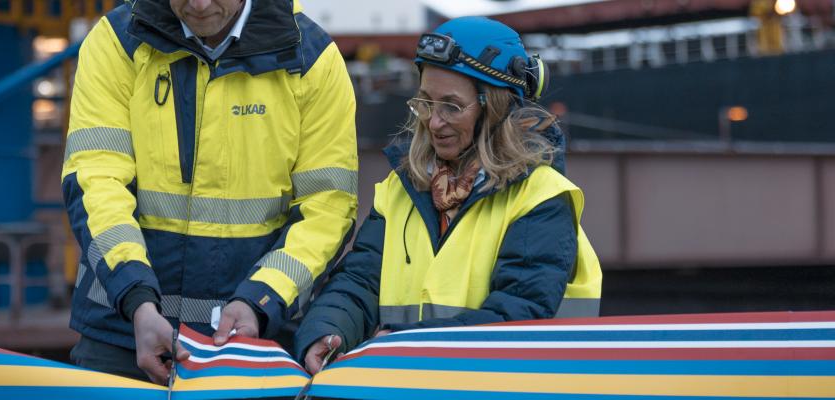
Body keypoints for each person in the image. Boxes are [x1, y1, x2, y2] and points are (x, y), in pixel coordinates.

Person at [61, 0, 358, 383]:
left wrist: (261, 300)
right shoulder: (118, 41)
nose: (199, 4)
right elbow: (95, 180)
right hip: (121, 336)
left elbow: (328, 208)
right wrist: (135, 300)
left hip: (253, 343)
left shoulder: (311, 58)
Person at [293, 16, 603, 374]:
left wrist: (400, 345)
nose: (433, 121)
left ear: (496, 107)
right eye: (425, 102)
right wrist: (327, 332)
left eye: (451, 107)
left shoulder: (542, 198)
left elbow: (515, 315)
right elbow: (359, 282)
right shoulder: (401, 189)